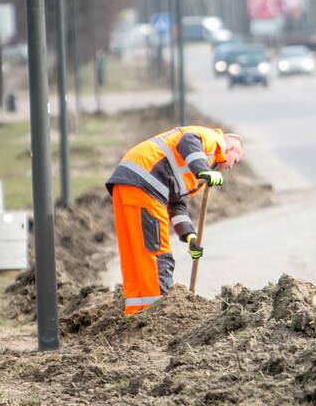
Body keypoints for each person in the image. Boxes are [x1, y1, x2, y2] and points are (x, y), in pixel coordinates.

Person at [105, 126, 245, 315]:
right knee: (157, 255)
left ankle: (136, 312)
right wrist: (203, 171)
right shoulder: (213, 141)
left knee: (135, 253)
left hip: (128, 184)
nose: (231, 167)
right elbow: (189, 140)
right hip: (146, 184)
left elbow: (176, 203)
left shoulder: (201, 168)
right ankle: (156, 316)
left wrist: (189, 236)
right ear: (230, 148)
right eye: (234, 161)